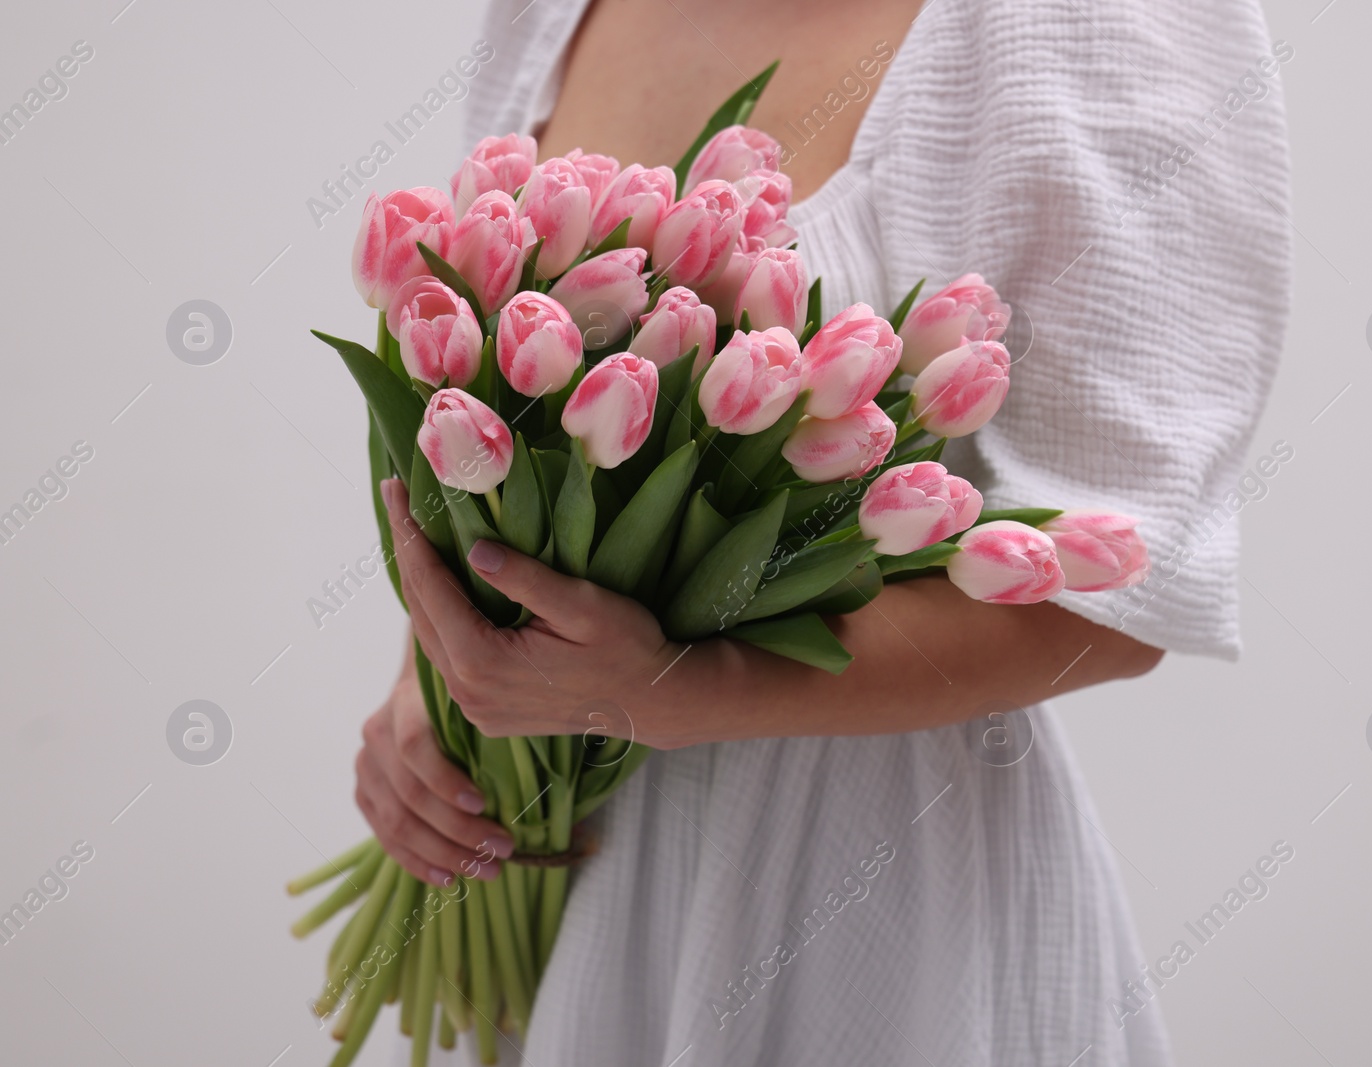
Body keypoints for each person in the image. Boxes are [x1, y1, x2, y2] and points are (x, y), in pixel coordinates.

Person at [356, 0, 1291, 1062]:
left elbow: (1118, 592)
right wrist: (437, 698)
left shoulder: (1086, 21)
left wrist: (694, 689)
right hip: (561, 889)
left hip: (859, 896)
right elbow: (475, 380)